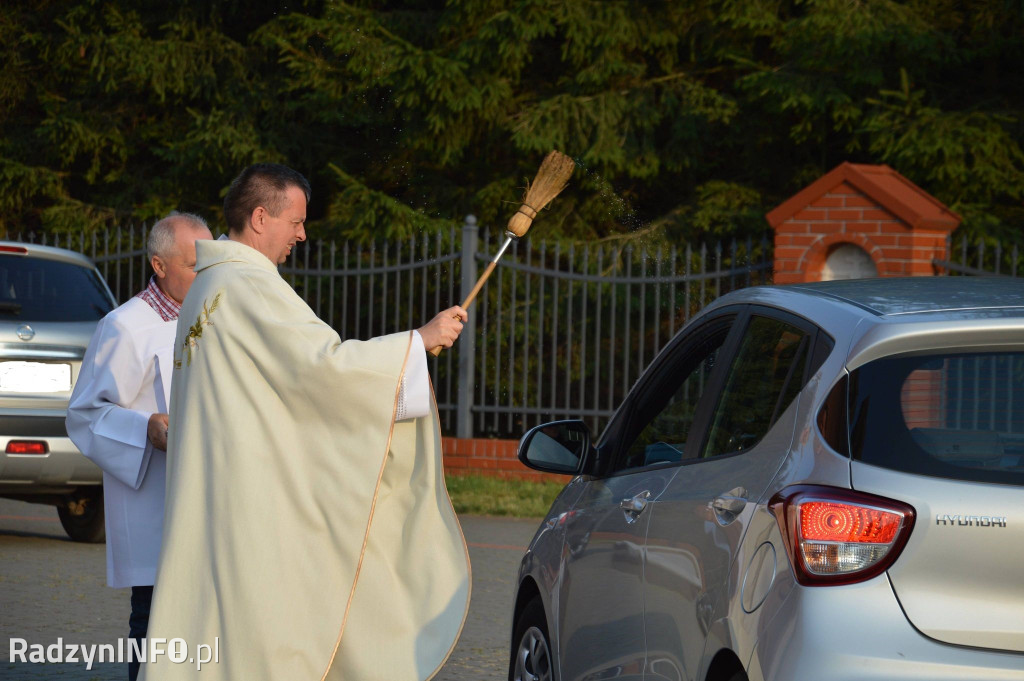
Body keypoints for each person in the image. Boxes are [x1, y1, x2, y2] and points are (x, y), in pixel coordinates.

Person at [142, 164, 471, 680]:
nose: (302, 232)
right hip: (254, 507)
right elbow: (323, 367)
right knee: (259, 638)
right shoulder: (248, 284)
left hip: (215, 495)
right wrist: (418, 342)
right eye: (294, 220)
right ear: (258, 217)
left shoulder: (207, 288)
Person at [66, 213, 213, 681]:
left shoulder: (212, 318)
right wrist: (144, 427)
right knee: (153, 624)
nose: (205, 275)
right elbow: (85, 414)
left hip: (209, 498)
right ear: (159, 265)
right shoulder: (125, 326)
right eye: (194, 265)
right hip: (154, 502)